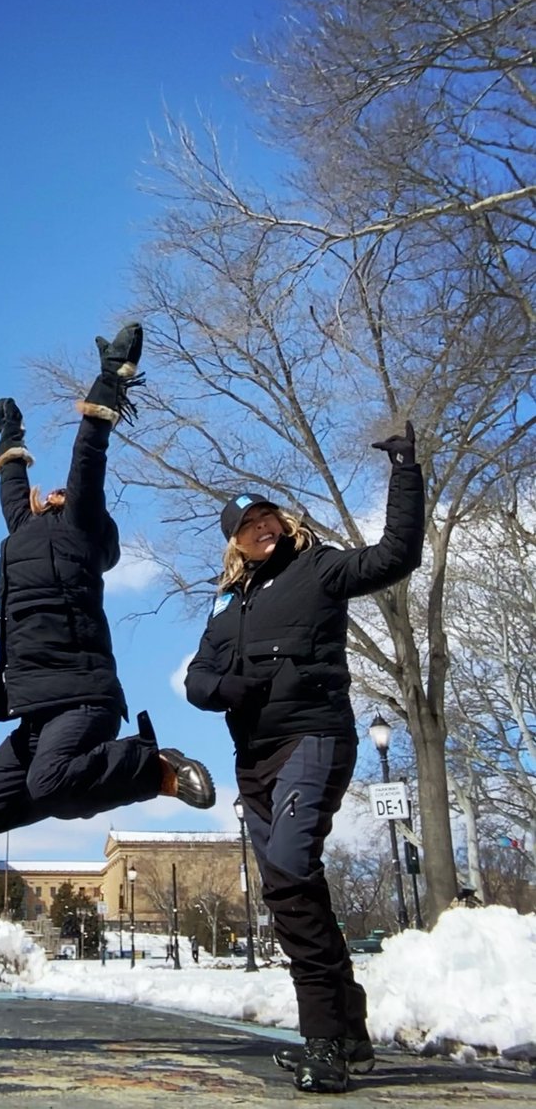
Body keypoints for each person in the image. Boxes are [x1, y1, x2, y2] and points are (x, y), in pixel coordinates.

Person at [184, 422, 424, 1095]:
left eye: (266, 516)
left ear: (282, 522)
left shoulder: (318, 567)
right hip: (253, 759)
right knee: (293, 890)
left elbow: (397, 555)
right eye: (246, 525)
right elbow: (198, 678)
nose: (260, 527)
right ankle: (349, 1029)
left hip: (313, 737)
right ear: (235, 542)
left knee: (290, 871)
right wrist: (225, 688)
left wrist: (404, 471)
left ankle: (324, 1042)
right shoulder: (227, 601)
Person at [0, 322, 215, 836]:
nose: (57, 492)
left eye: (65, 495)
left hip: (82, 698)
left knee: (51, 783)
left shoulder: (78, 527)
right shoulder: (23, 529)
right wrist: (10, 435)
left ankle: (154, 769)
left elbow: (88, 454)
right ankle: (65, 784)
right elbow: (12, 484)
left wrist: (111, 379)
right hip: (34, 709)